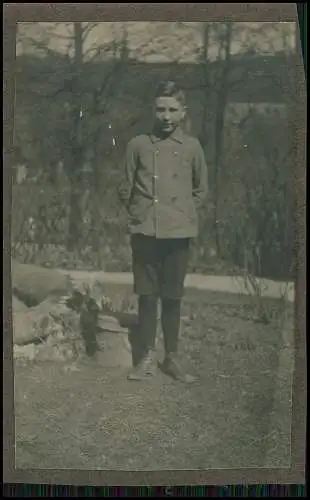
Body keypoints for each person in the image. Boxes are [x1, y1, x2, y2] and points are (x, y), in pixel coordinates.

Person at [118, 80, 208, 383]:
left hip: (178, 234)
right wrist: (142, 213)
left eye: (172, 110)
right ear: (152, 111)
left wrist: (179, 213)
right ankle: (144, 357)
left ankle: (172, 358)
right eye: (160, 109)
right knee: (146, 296)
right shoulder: (138, 144)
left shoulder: (192, 147)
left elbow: (200, 190)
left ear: (183, 112)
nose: (166, 116)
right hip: (145, 231)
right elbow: (125, 187)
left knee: (172, 297)